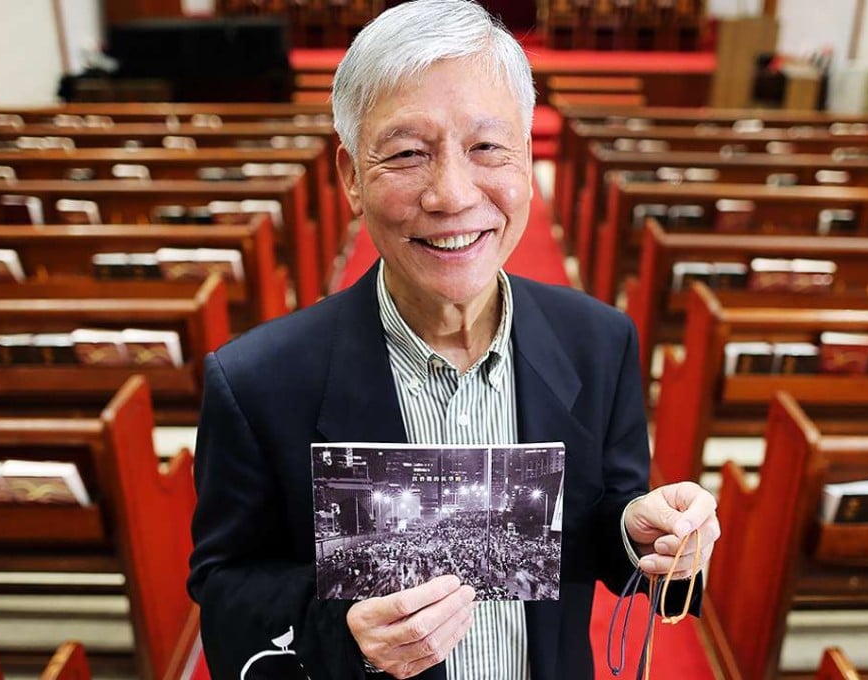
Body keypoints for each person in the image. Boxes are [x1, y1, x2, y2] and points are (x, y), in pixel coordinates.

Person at [187, 1, 720, 678]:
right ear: (351, 176)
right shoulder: (259, 381)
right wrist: (343, 630)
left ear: (527, 159)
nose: (452, 194)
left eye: (487, 147)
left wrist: (641, 533)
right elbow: (227, 591)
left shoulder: (598, 342)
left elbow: (598, 524)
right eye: (408, 153)